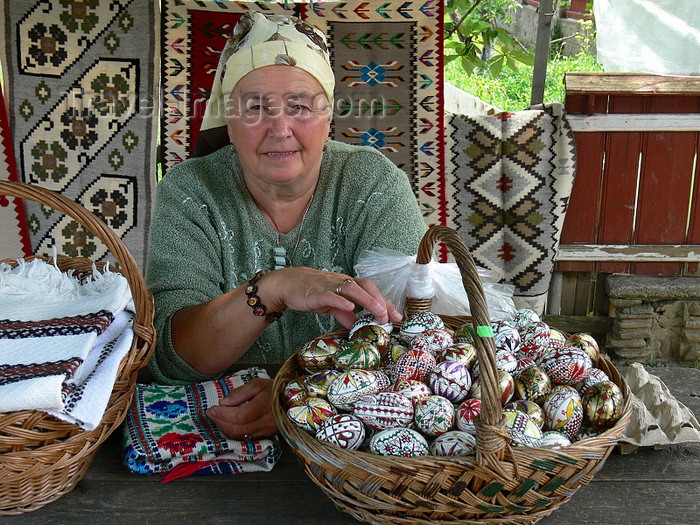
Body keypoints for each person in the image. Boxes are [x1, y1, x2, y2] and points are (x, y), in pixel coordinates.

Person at [145, 12, 427, 441]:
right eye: (255, 107)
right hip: (216, 433)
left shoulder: (373, 185)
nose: (280, 129)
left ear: (328, 114)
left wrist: (295, 400)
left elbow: (414, 347)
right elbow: (172, 357)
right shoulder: (190, 191)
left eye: (299, 106)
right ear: (230, 120)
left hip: (356, 446)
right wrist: (272, 289)